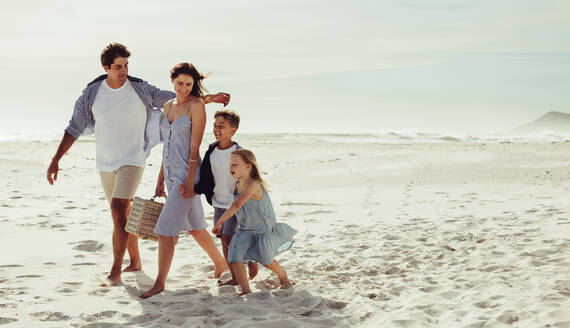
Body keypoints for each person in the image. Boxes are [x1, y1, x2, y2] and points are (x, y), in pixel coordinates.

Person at [46, 43, 230, 286]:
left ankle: (117, 271)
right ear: (106, 68)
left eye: (126, 65)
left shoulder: (140, 89)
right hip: (106, 162)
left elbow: (181, 99)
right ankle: (137, 261)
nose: (124, 71)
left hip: (134, 159)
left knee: (122, 210)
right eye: (118, 67)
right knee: (129, 216)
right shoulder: (91, 94)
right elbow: (74, 128)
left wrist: (210, 98)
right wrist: (56, 159)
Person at [140, 62, 228, 299]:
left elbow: (194, 146)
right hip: (170, 175)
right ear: (172, 81)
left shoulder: (197, 106)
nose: (184, 88)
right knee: (196, 228)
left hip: (187, 177)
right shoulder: (168, 106)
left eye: (189, 84)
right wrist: (160, 178)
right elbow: (167, 146)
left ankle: (159, 283)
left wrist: (190, 180)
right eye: (180, 83)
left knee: (167, 231)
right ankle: (221, 264)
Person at [212, 149, 297, 296]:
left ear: (248, 166)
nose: (231, 168)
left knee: (267, 260)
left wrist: (220, 222)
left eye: (235, 165)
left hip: (262, 230)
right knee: (234, 257)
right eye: (230, 165)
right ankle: (246, 290)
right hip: (245, 229)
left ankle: (282, 275)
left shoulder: (254, 185)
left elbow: (237, 205)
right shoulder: (237, 185)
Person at [194, 110, 258, 286]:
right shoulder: (212, 150)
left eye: (221, 126)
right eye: (214, 126)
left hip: (236, 203)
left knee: (229, 238)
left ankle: (247, 265)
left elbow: (250, 177)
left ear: (233, 130)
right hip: (218, 201)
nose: (216, 129)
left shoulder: (239, 152)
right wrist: (195, 189)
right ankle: (237, 274)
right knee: (224, 238)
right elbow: (206, 175)